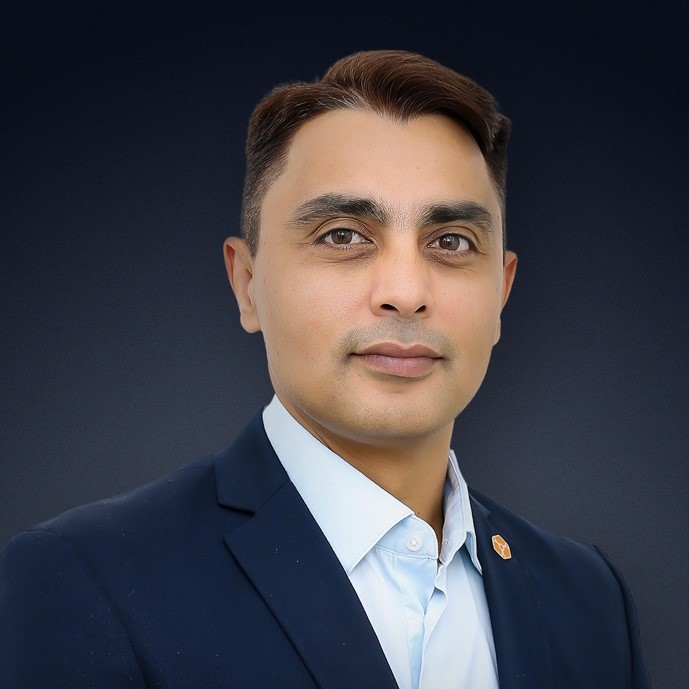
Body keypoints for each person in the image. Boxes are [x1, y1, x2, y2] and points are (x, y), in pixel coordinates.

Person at [0, 50, 650, 689]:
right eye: (343, 235)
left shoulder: (587, 599)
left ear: (501, 293)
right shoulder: (82, 579)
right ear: (247, 283)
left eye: (451, 242)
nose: (405, 292)